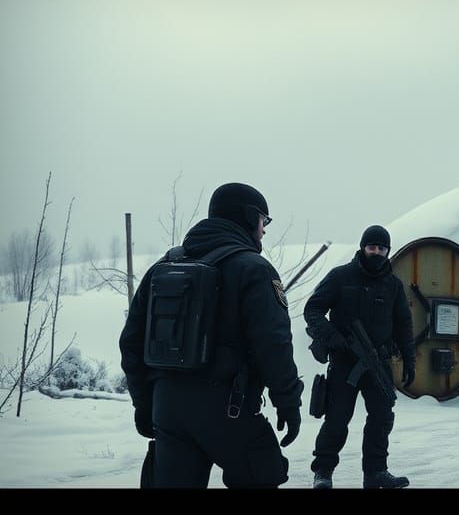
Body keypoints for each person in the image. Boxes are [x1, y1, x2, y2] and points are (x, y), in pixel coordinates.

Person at [119, 182, 303, 488]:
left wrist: (145, 404)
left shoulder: (163, 266)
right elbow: (273, 344)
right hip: (227, 406)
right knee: (261, 474)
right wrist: (288, 402)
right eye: (264, 221)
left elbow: (131, 342)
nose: (264, 230)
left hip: (166, 406)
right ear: (249, 217)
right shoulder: (254, 268)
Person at [304, 225, 416, 489]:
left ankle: (376, 473)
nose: (376, 252)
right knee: (337, 418)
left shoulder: (393, 285)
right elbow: (313, 309)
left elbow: (403, 324)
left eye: (381, 248)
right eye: (371, 247)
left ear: (387, 251)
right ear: (363, 247)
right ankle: (323, 471)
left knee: (382, 417)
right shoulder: (340, 276)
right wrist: (333, 338)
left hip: (379, 362)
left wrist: (409, 360)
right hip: (344, 363)